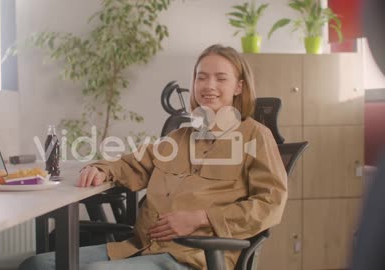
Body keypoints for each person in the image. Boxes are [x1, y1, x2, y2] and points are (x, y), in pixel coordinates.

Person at [19, 44, 288, 270]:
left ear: (239, 87)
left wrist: (201, 218)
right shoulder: (179, 138)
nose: (209, 85)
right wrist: (101, 169)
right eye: (201, 77)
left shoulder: (256, 137)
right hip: (141, 247)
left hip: (192, 258)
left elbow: (269, 204)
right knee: (35, 265)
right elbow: (132, 164)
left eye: (221, 78)